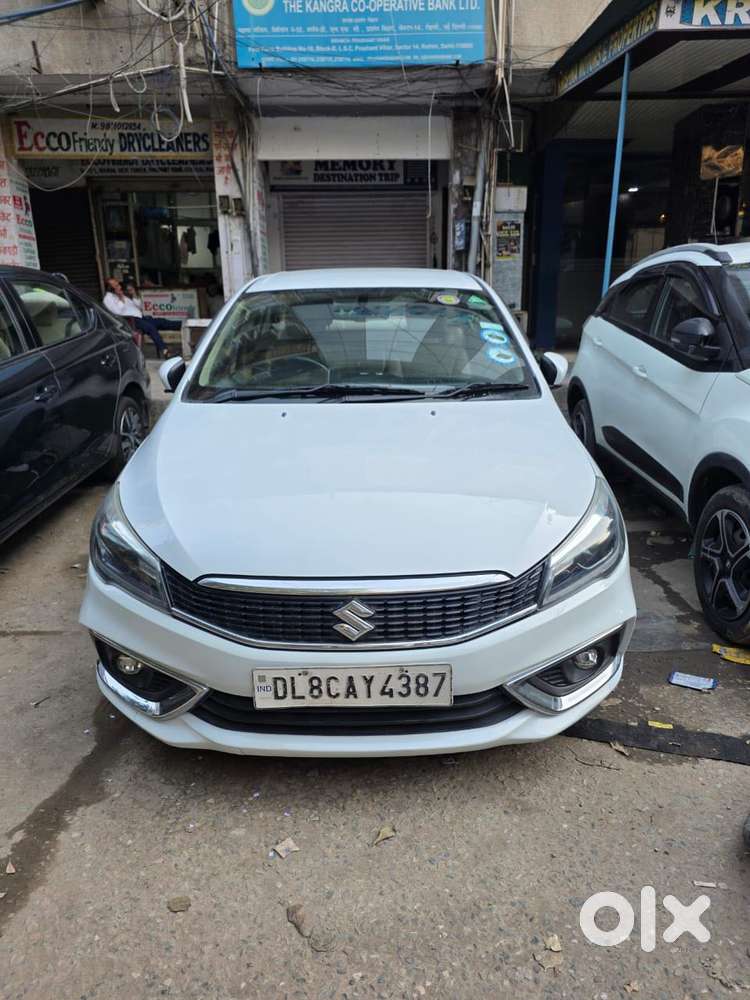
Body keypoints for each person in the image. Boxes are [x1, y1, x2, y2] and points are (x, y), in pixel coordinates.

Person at [102, 278, 179, 358]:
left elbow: (138, 306)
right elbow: (117, 312)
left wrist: (134, 294)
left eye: (118, 284)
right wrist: (121, 298)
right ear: (110, 288)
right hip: (131, 321)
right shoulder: (108, 299)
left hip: (141, 317)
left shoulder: (121, 295)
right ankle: (165, 352)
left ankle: (185, 326)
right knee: (151, 328)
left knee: (162, 322)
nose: (120, 287)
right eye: (116, 285)